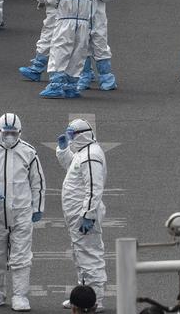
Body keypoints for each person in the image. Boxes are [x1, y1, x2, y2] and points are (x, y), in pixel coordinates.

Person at [0, 113, 46, 312]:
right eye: (6, 132)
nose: (9, 136)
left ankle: (20, 295)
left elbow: (38, 182)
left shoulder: (29, 152)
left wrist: (37, 208)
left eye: (13, 133)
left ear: (20, 132)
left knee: (21, 255)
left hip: (22, 212)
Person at [56, 118, 107, 312]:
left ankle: (96, 299)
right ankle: (83, 297)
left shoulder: (91, 156)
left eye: (71, 135)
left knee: (90, 256)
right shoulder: (83, 152)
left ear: (81, 135)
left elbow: (94, 187)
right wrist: (63, 151)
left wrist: (88, 214)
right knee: (81, 255)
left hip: (83, 215)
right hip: (77, 214)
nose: (69, 138)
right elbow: (71, 167)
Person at [39, 0, 96, 99]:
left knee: (59, 49)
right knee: (78, 52)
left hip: (65, 20)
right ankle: (71, 87)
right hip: (83, 21)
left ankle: (56, 86)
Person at [77, 0, 117, 92]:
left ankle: (106, 78)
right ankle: (84, 77)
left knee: (101, 48)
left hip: (98, 20)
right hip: (82, 19)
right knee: (83, 48)